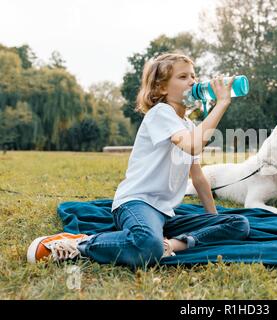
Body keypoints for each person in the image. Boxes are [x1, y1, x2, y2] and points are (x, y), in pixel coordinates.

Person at [27, 53, 250, 268]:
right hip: (136, 203)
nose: (192, 82)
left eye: (193, 76)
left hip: (165, 213)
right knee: (146, 245)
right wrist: (221, 104)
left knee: (238, 224)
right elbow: (193, 144)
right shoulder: (160, 113)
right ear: (162, 87)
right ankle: (79, 244)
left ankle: (170, 245)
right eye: (183, 77)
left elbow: (198, 177)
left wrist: (213, 220)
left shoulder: (190, 126)